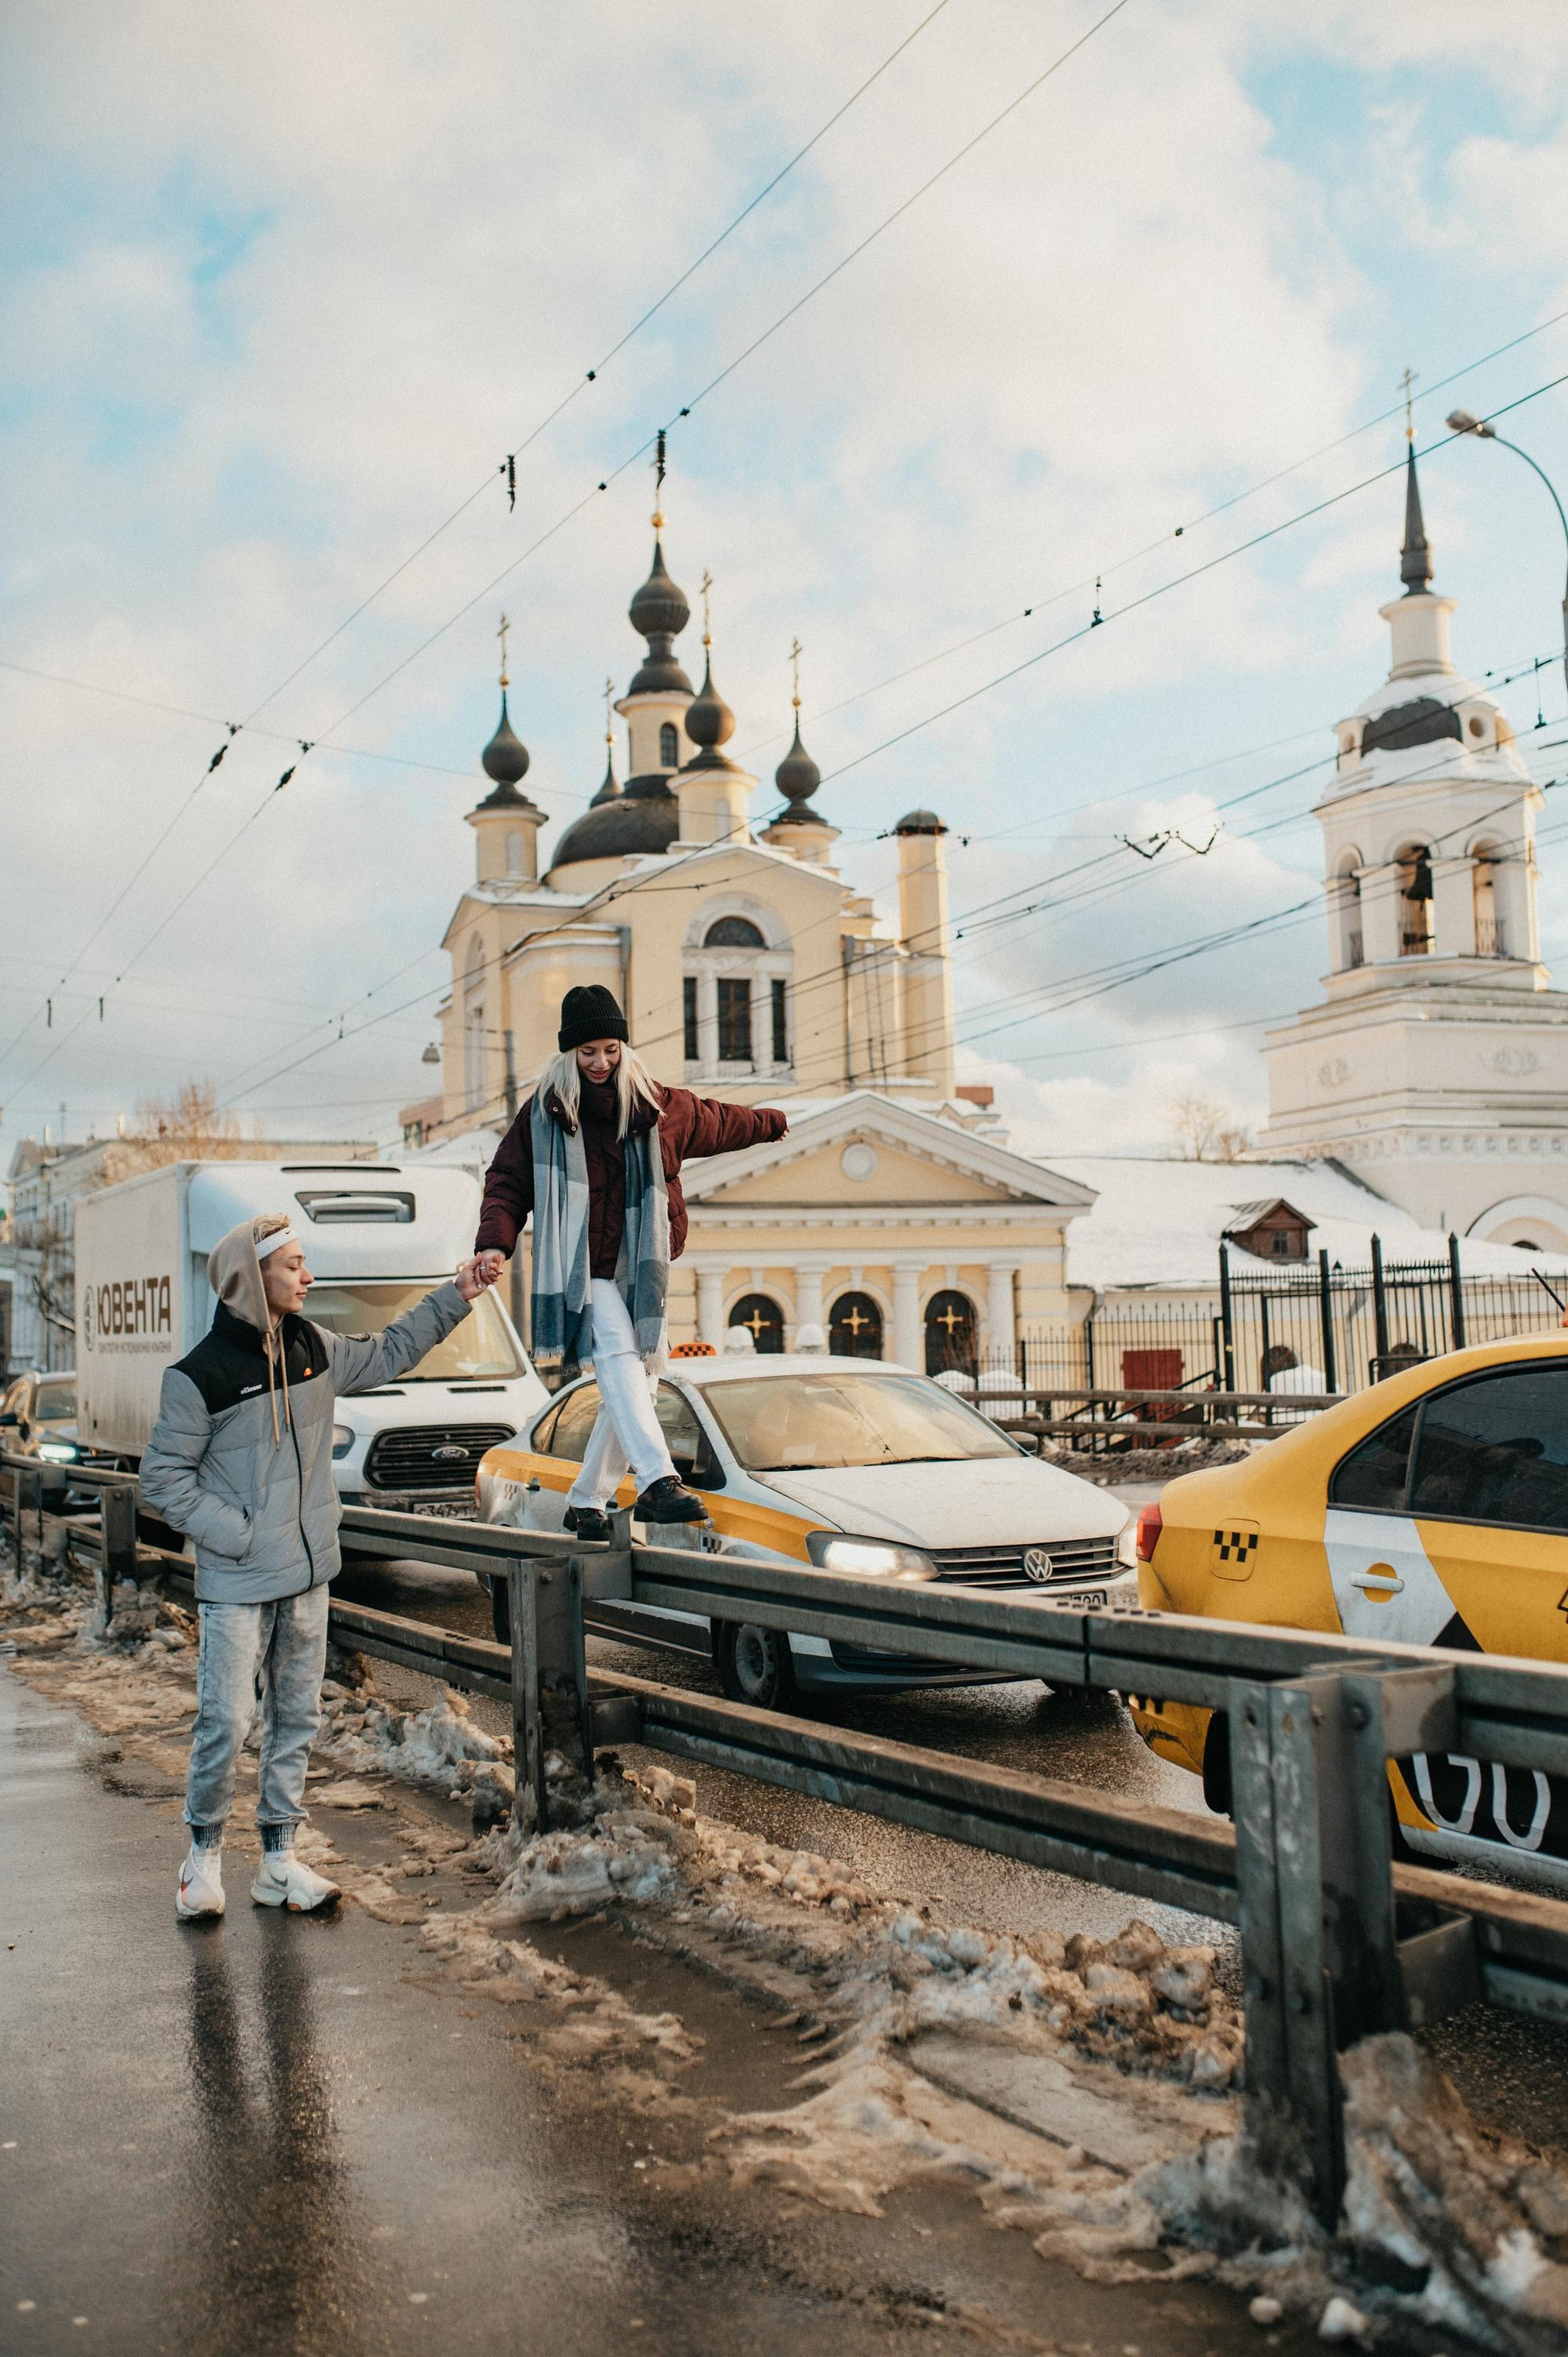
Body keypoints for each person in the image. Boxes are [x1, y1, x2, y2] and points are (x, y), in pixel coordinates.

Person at [140, 1216, 494, 1920]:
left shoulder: (313, 1347)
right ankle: (201, 1861)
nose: (308, 1277)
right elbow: (163, 1481)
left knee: (296, 1717)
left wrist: (457, 1293)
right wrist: (240, 1536)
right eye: (295, 1265)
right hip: (239, 1582)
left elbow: (392, 1349)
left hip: (307, 1577)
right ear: (253, 1277)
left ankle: (278, 1861)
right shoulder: (199, 1376)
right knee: (229, 1719)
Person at [474, 984, 786, 1539]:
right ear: (569, 1053)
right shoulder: (545, 1112)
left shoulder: (659, 1106)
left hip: (640, 1268)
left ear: (623, 1047)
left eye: (610, 1049)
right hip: (580, 1269)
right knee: (620, 1353)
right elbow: (507, 1181)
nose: (600, 1062)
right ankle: (657, 1480)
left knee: (639, 1383)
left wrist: (770, 1122)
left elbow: (720, 1121)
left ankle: (585, 1499)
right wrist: (494, 1245)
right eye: (588, 1051)